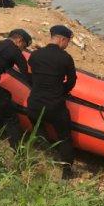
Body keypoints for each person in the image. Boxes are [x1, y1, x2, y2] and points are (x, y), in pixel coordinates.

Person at [27, 25, 78, 179]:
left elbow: (30, 75)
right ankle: (67, 172)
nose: (67, 45)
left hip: (34, 103)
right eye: (67, 42)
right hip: (54, 105)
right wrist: (61, 91)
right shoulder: (65, 58)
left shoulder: (35, 55)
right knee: (65, 137)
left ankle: (45, 153)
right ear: (62, 39)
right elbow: (72, 81)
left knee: (38, 128)